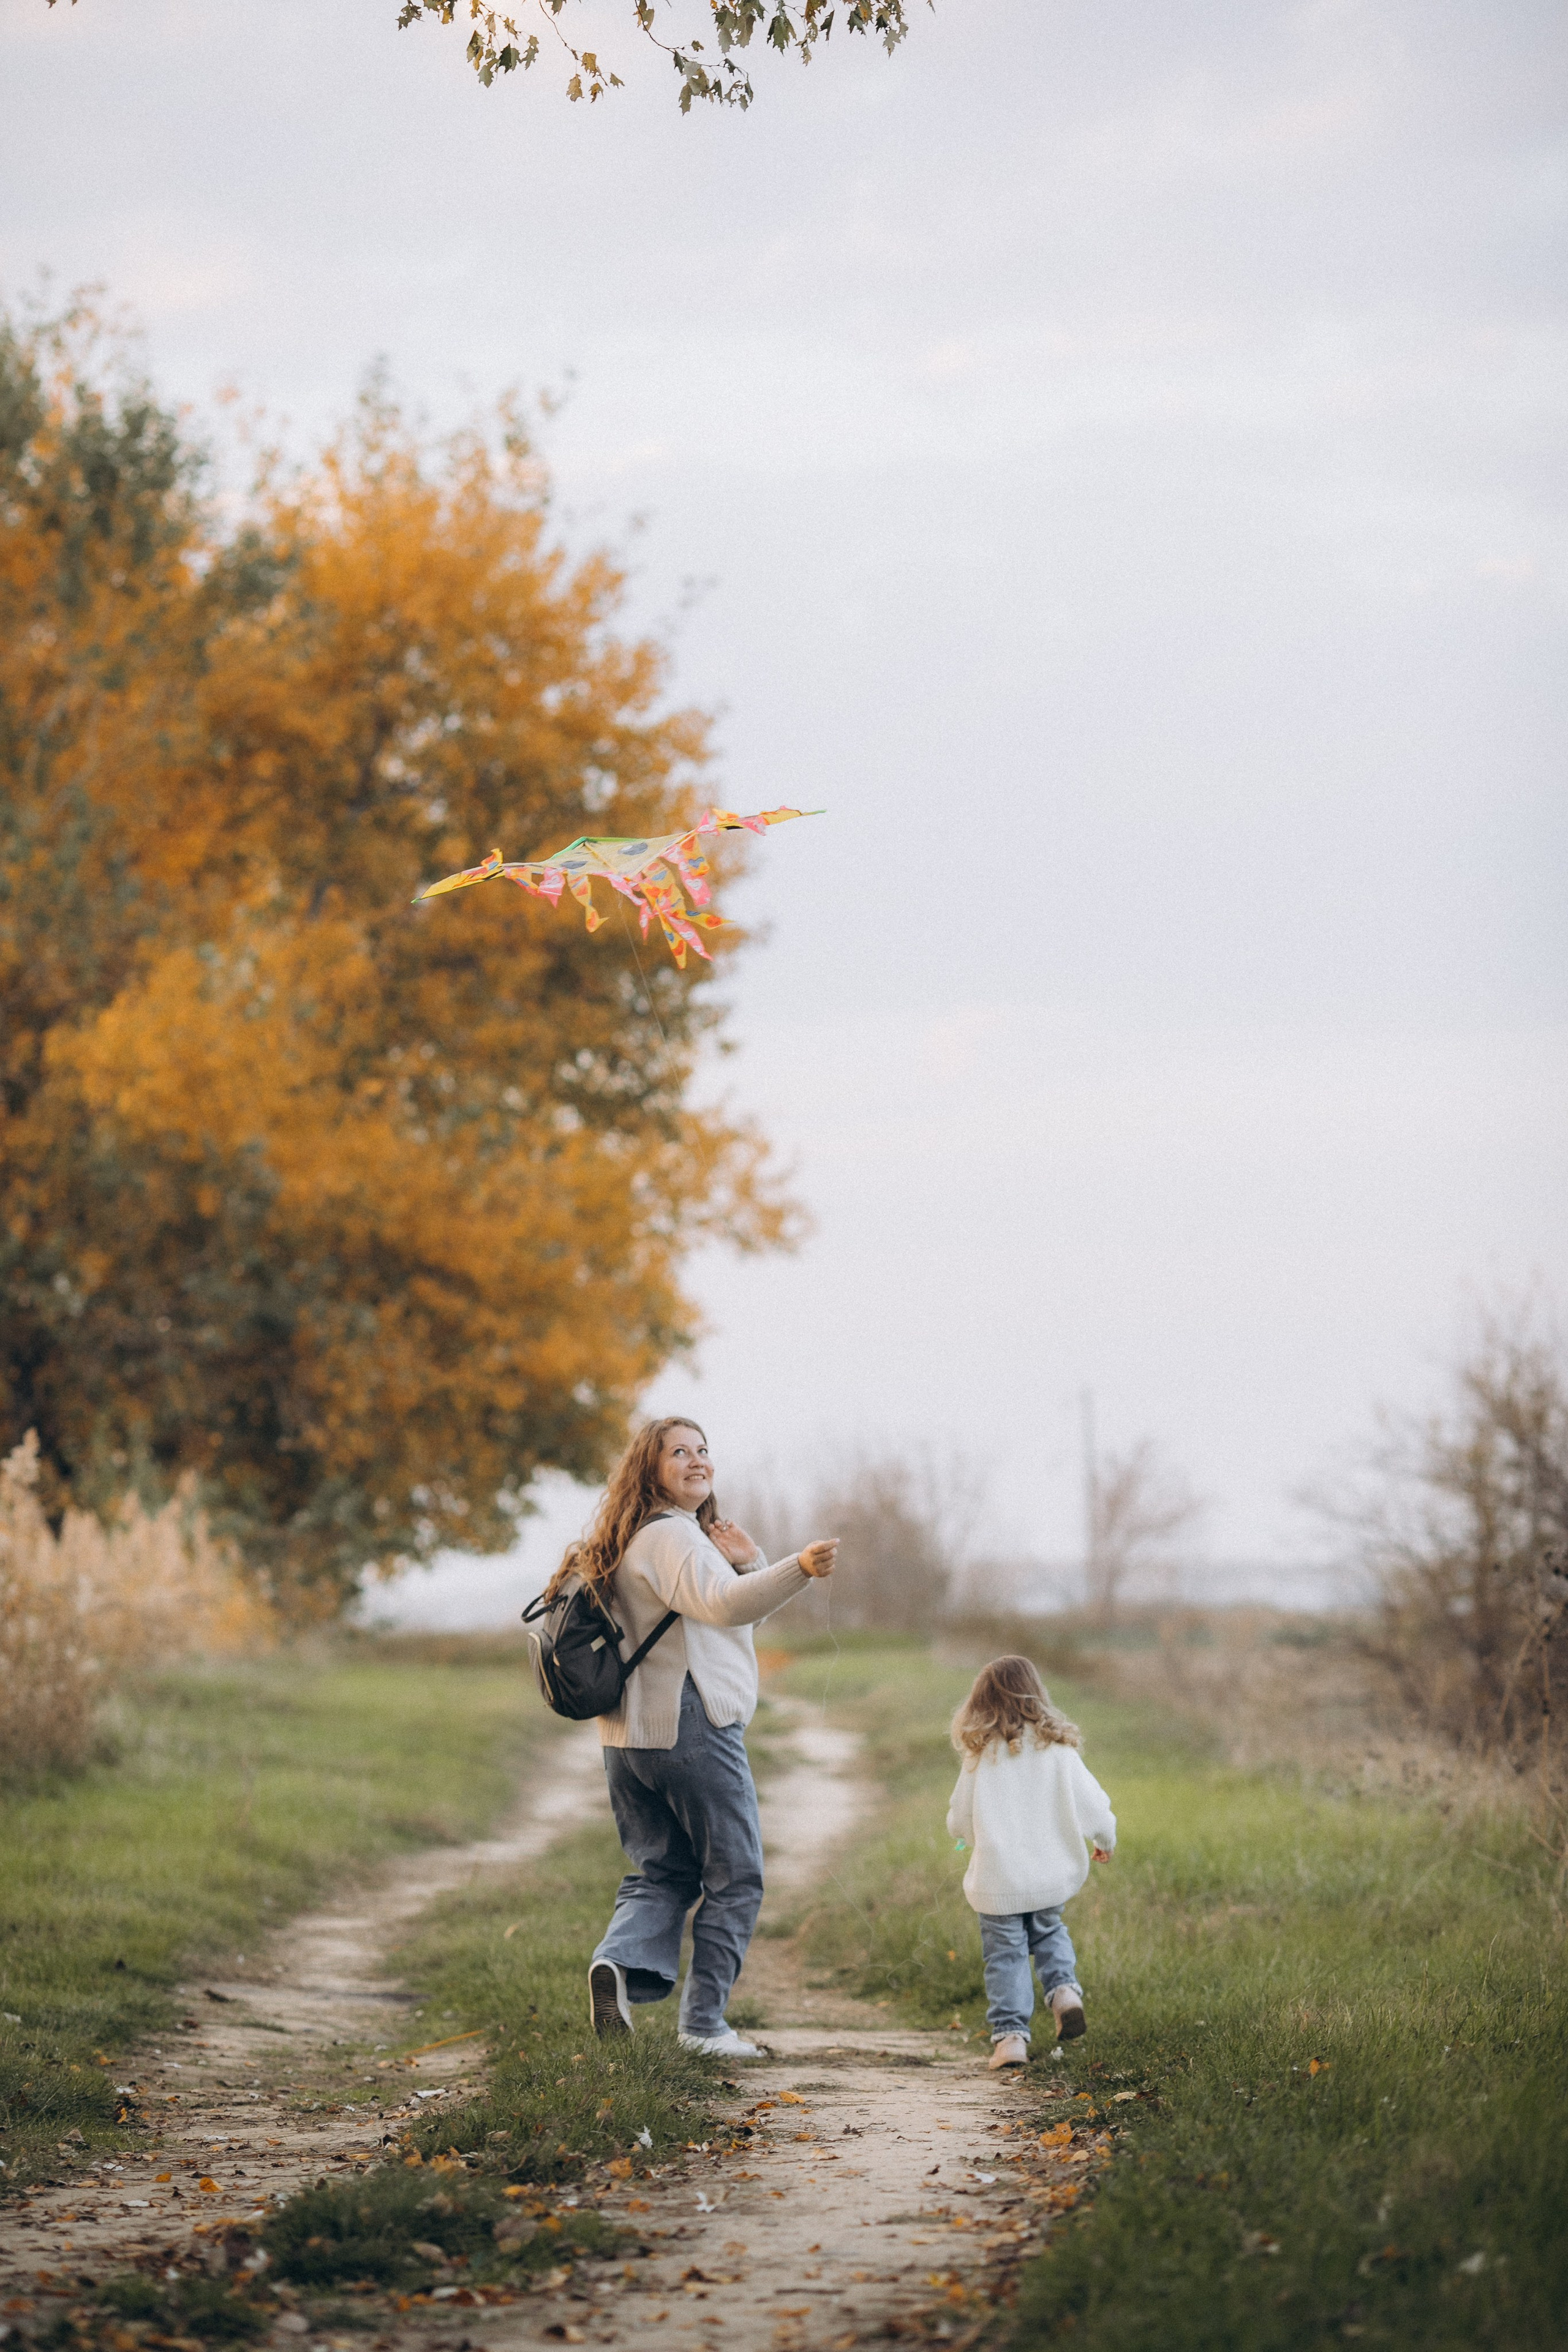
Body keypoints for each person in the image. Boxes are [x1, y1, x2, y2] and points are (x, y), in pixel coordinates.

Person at [547, 1415, 839, 2060]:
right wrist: (800, 1566)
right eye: (679, 1452)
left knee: (664, 1870)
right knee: (737, 1877)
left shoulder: (630, 1539)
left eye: (704, 1450)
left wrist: (751, 1563)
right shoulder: (672, 1538)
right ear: (649, 1470)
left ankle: (617, 1966)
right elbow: (728, 1607)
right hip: (691, 1726)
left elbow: (729, 1602)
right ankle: (704, 2026)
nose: (698, 1460)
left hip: (627, 1740)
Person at [945, 1654, 1115, 2070]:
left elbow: (959, 1817)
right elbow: (1095, 1805)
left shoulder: (980, 1757)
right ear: (1036, 1696)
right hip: (1049, 1875)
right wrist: (1105, 1839)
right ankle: (1064, 1993)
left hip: (998, 1881)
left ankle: (1010, 2041)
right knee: (1049, 1930)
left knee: (1005, 1955)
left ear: (981, 1703)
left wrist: (965, 1839)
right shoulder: (1059, 1752)